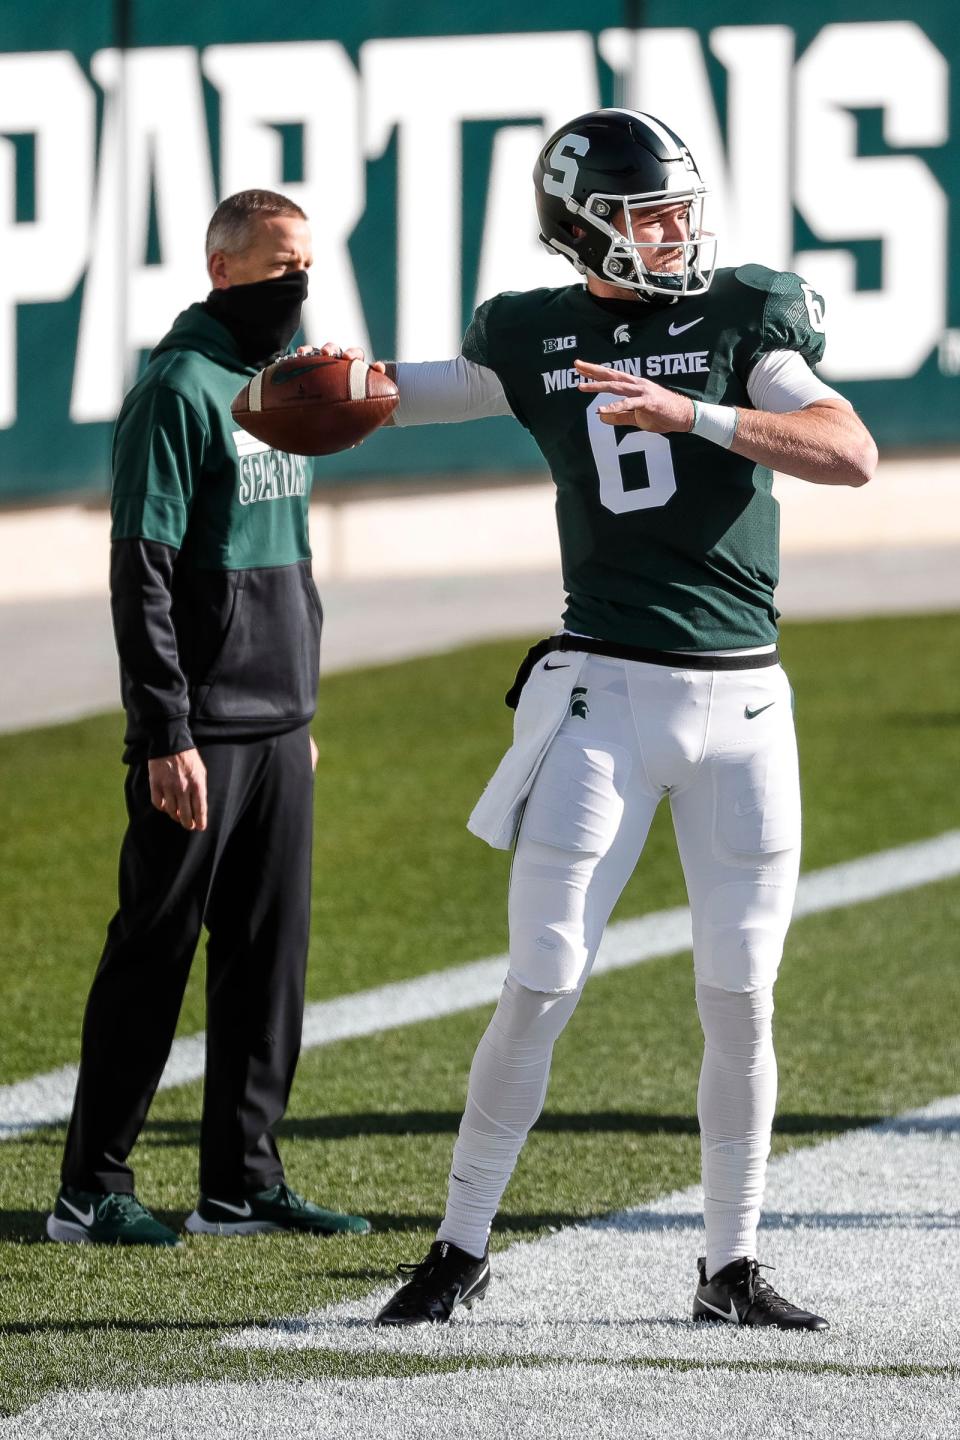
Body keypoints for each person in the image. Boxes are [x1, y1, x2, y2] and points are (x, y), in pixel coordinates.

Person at [367, 110, 876, 1327]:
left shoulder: (747, 319)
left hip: (747, 702)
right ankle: (458, 1245)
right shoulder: (533, 333)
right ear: (584, 227)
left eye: (680, 209)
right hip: (600, 692)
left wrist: (685, 412)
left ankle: (730, 1265)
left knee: (740, 993)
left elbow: (848, 451)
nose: (675, 232)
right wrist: (315, 385)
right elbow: (399, 395)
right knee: (541, 979)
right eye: (649, 214)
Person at [47, 190, 370, 1246]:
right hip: (203, 729)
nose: (300, 285)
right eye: (281, 266)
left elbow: (290, 556)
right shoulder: (179, 389)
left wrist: (299, 707)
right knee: (155, 948)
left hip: (278, 722)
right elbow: (138, 573)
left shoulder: (281, 391)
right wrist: (166, 730)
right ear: (223, 270)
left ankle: (241, 1180)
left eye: (309, 264)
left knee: (267, 957)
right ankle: (90, 1187)